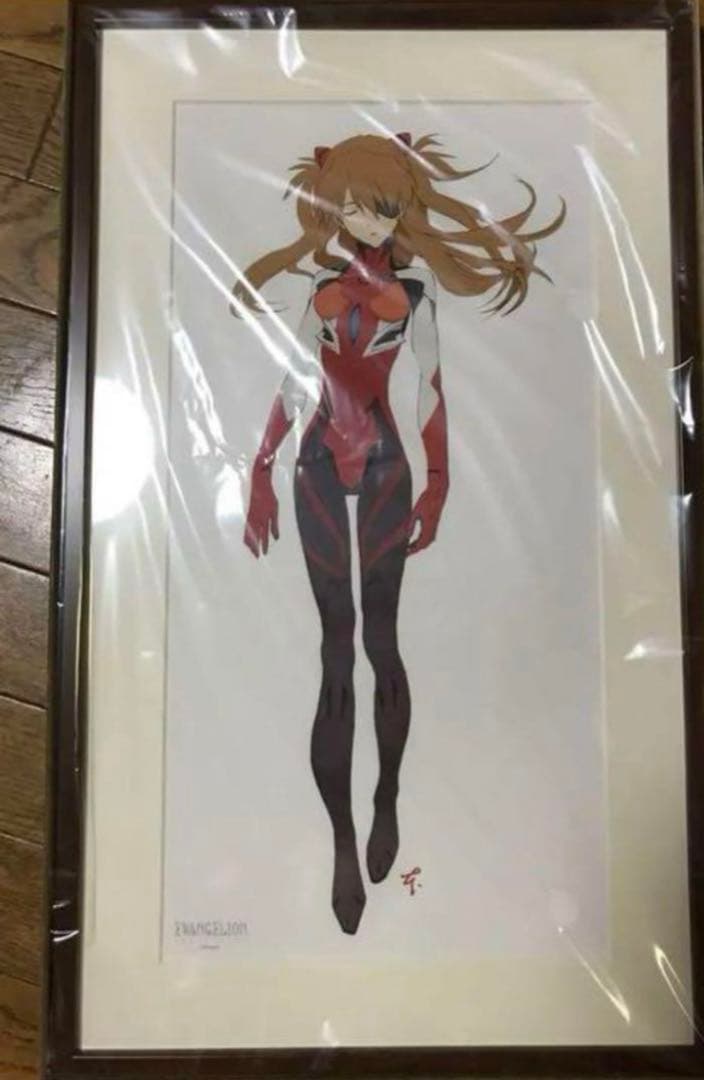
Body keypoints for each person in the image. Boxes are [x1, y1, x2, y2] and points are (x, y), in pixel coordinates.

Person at [232, 131, 564, 933]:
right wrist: (260, 471)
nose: (368, 221)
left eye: (381, 210)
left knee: (380, 642)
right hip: (317, 464)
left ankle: (385, 799)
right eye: (354, 207)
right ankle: (343, 844)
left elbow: (431, 390)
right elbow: (292, 383)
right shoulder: (317, 289)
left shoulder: (416, 295)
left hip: (385, 466)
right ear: (332, 206)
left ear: (401, 212)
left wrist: (440, 482)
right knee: (334, 651)